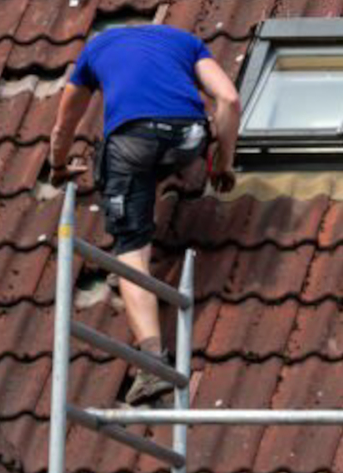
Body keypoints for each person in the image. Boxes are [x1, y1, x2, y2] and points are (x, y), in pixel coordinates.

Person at [47, 20, 241, 404]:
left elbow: (64, 123)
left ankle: (152, 363)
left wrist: (57, 166)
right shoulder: (186, 41)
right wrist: (223, 163)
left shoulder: (97, 48)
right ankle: (157, 187)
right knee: (158, 159)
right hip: (188, 137)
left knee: (131, 249)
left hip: (132, 142)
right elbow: (229, 100)